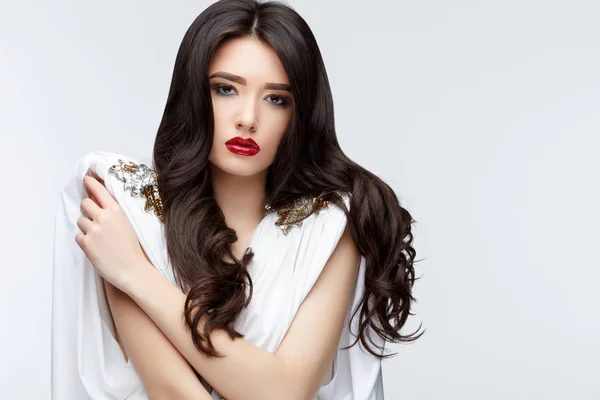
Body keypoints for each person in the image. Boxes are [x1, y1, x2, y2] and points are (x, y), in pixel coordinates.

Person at [51, 0, 422, 399]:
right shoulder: (129, 208)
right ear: (193, 92)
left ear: (300, 114)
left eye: (277, 99)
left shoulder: (331, 225)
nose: (248, 117)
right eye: (225, 89)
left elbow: (284, 393)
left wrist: (136, 275)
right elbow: (172, 393)